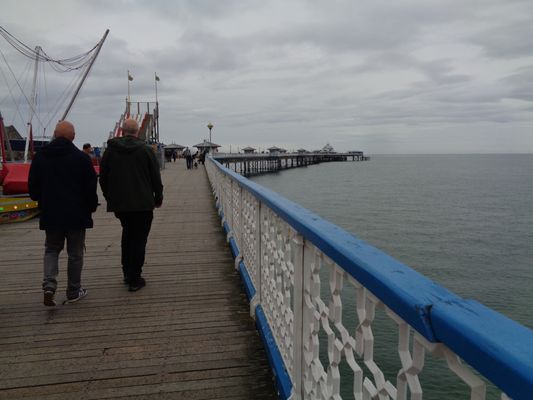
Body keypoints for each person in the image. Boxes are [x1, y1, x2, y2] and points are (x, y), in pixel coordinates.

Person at [28, 121, 98, 306]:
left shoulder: (40, 157)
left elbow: (33, 190)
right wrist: (90, 207)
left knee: (51, 249)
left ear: (54, 134)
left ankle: (49, 285)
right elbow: (91, 189)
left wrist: (43, 200)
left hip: (52, 213)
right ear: (73, 137)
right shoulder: (82, 159)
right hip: (77, 214)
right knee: (75, 253)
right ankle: (73, 291)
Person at [99, 118, 163, 292]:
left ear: (122, 130)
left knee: (128, 235)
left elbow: (103, 177)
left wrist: (109, 196)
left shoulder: (110, 151)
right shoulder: (145, 150)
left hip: (121, 204)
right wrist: (158, 198)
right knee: (139, 239)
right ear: (137, 132)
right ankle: (135, 278)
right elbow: (155, 178)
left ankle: (127, 273)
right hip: (143, 203)